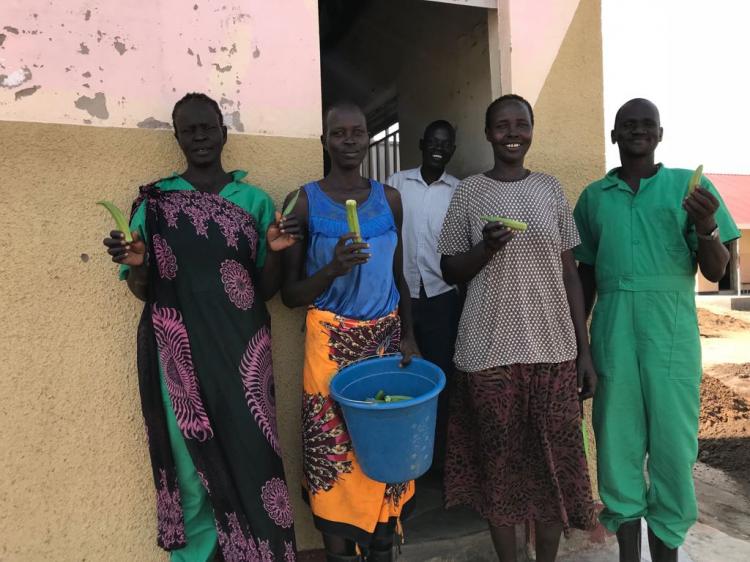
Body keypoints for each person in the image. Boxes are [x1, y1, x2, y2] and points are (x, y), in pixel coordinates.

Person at [103, 93, 300, 562]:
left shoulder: (254, 200)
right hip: (178, 358)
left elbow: (265, 290)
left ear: (224, 132)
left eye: (207, 127)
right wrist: (138, 265)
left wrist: (274, 252)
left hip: (243, 357)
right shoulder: (153, 202)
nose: (199, 136)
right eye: (188, 129)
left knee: (253, 464)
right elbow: (140, 289)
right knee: (192, 475)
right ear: (177, 137)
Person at [574, 98, 741, 562]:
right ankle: (629, 556)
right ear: (614, 136)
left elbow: (715, 269)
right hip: (612, 330)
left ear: (661, 135)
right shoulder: (594, 197)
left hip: (670, 332)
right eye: (628, 125)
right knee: (616, 440)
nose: (638, 131)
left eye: (647, 124)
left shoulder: (689, 188)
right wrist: (580, 347)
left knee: (673, 443)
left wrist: (706, 226)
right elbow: (584, 274)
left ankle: (666, 553)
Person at [437, 94, 597, 562]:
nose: (512, 133)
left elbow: (570, 272)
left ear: (532, 130)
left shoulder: (550, 189)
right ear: (488, 134)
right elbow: (448, 269)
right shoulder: (469, 193)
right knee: (499, 468)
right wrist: (485, 250)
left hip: (554, 350)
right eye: (502, 125)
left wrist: (583, 351)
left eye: (521, 124)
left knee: (555, 468)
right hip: (488, 354)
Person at [281, 101, 420, 562]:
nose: (349, 140)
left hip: (384, 342)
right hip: (328, 349)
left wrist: (410, 336)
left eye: (357, 132)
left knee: (382, 449)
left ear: (367, 138)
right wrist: (333, 269)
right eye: (338, 133)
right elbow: (290, 295)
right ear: (324, 141)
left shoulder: (389, 199)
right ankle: (340, 552)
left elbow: (399, 276)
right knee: (335, 457)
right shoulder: (305, 200)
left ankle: (381, 546)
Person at [386, 120, 461, 473]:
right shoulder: (396, 184)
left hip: (442, 300)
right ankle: (405, 463)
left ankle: (438, 464)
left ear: (453, 149)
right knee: (402, 379)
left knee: (441, 381)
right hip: (400, 297)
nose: (439, 148)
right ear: (420, 143)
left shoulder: (459, 192)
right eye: (433, 141)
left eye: (446, 144)